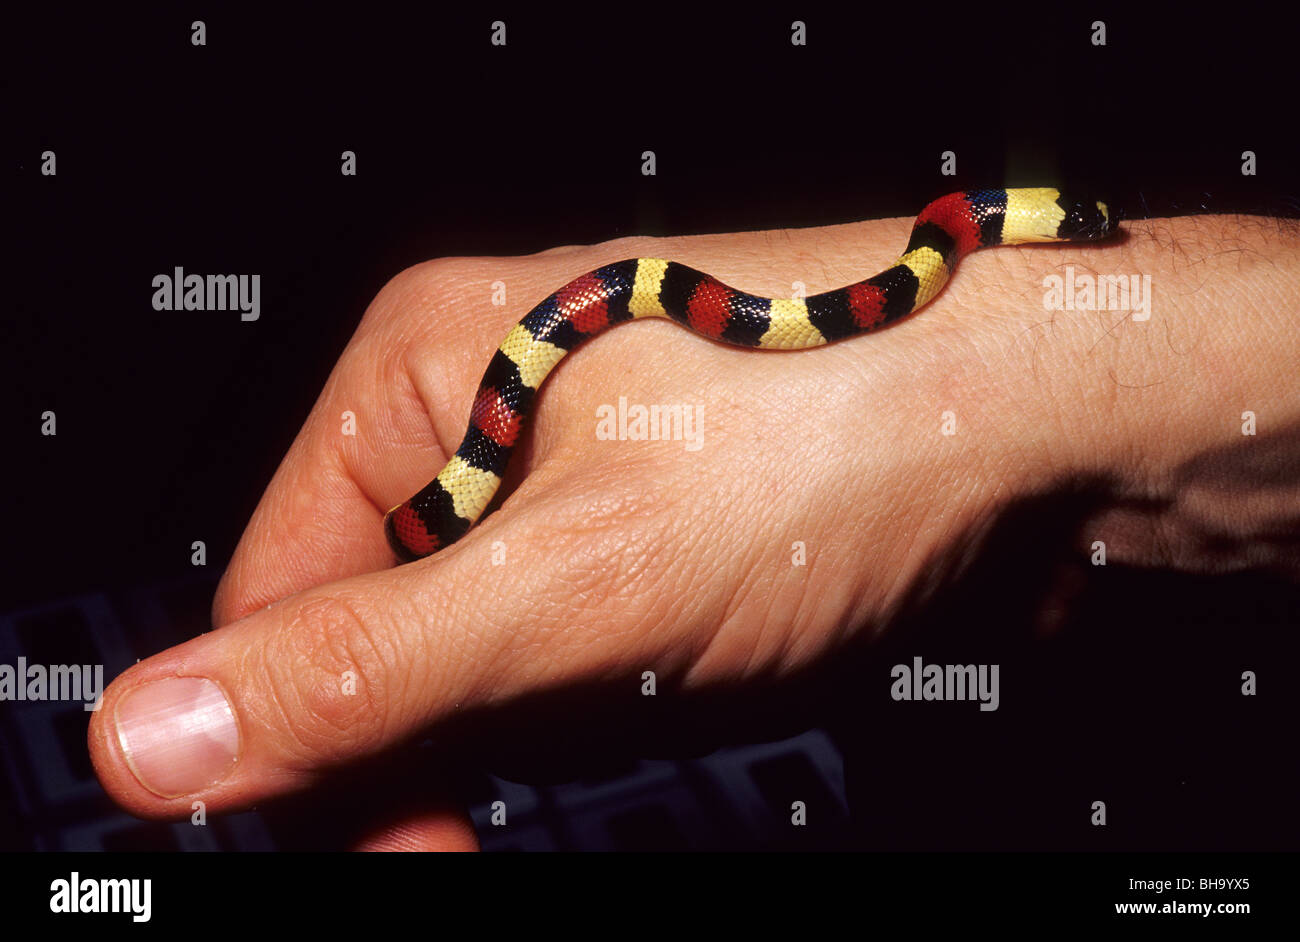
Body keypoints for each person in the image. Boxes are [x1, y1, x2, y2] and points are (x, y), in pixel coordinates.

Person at [88, 211, 1300, 850]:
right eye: (1074, 225)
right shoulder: (937, 243)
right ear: (999, 224)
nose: (1091, 231)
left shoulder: (943, 249)